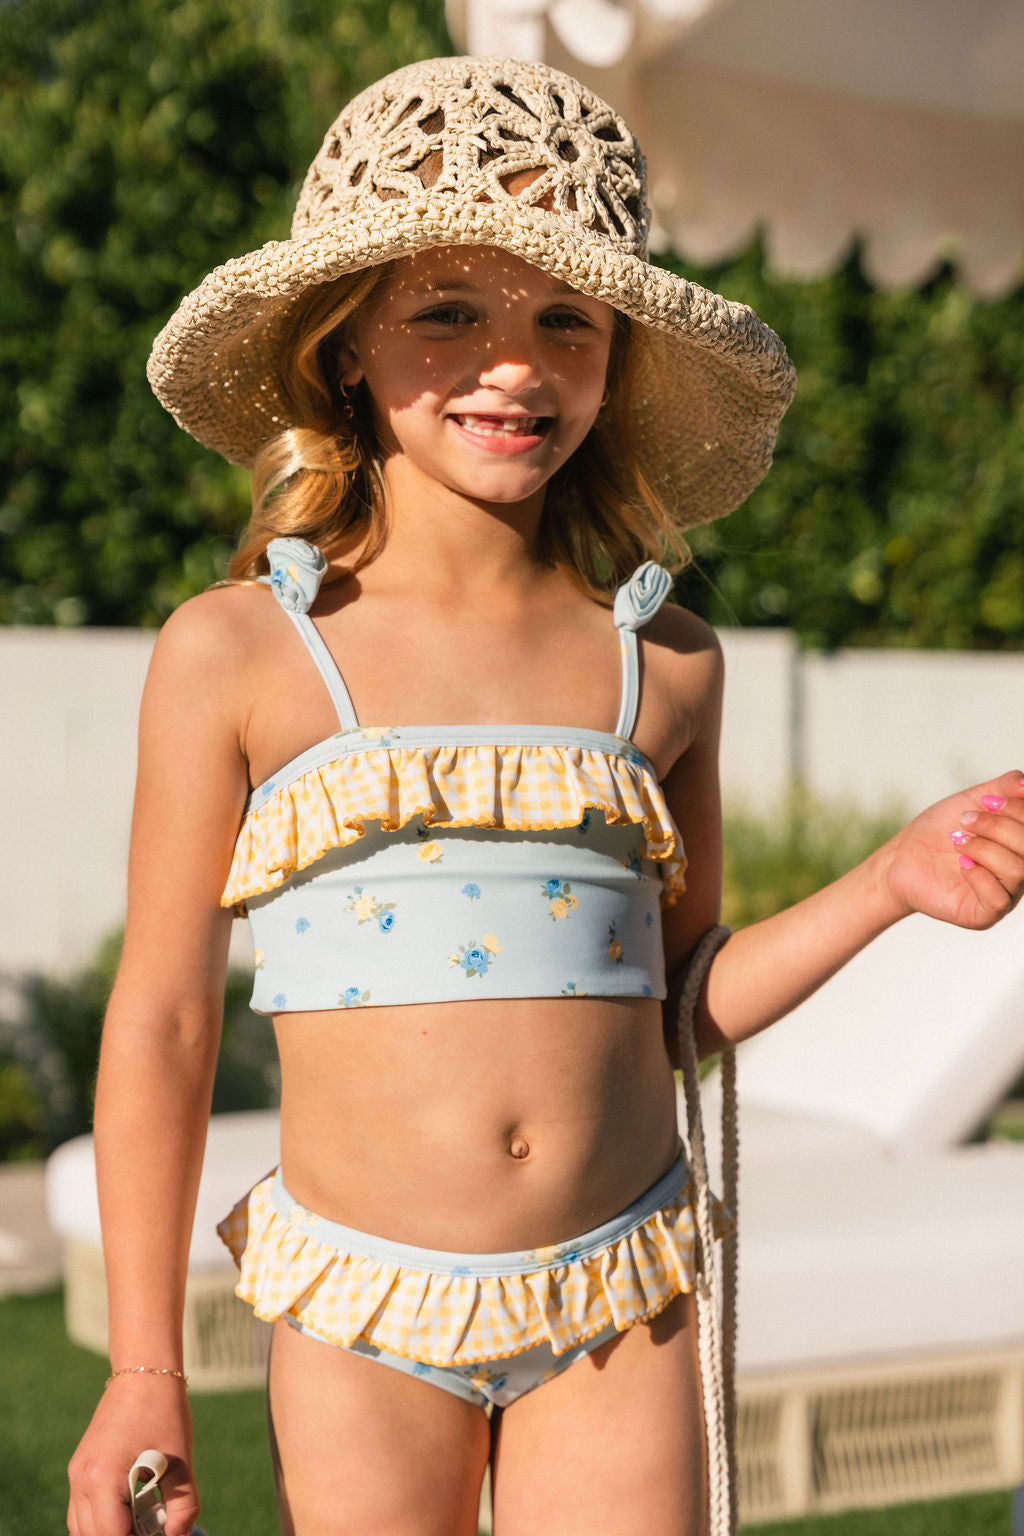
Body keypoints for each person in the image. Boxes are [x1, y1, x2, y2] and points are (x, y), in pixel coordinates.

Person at [67, 55, 1023, 1536]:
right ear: (345, 348)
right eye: (447, 312)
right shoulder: (245, 654)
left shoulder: (665, 665)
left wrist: (888, 882)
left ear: (614, 358)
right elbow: (165, 1022)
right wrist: (143, 1371)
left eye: (565, 320)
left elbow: (682, 1007)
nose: (513, 364)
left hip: (616, 1297)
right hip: (363, 1306)